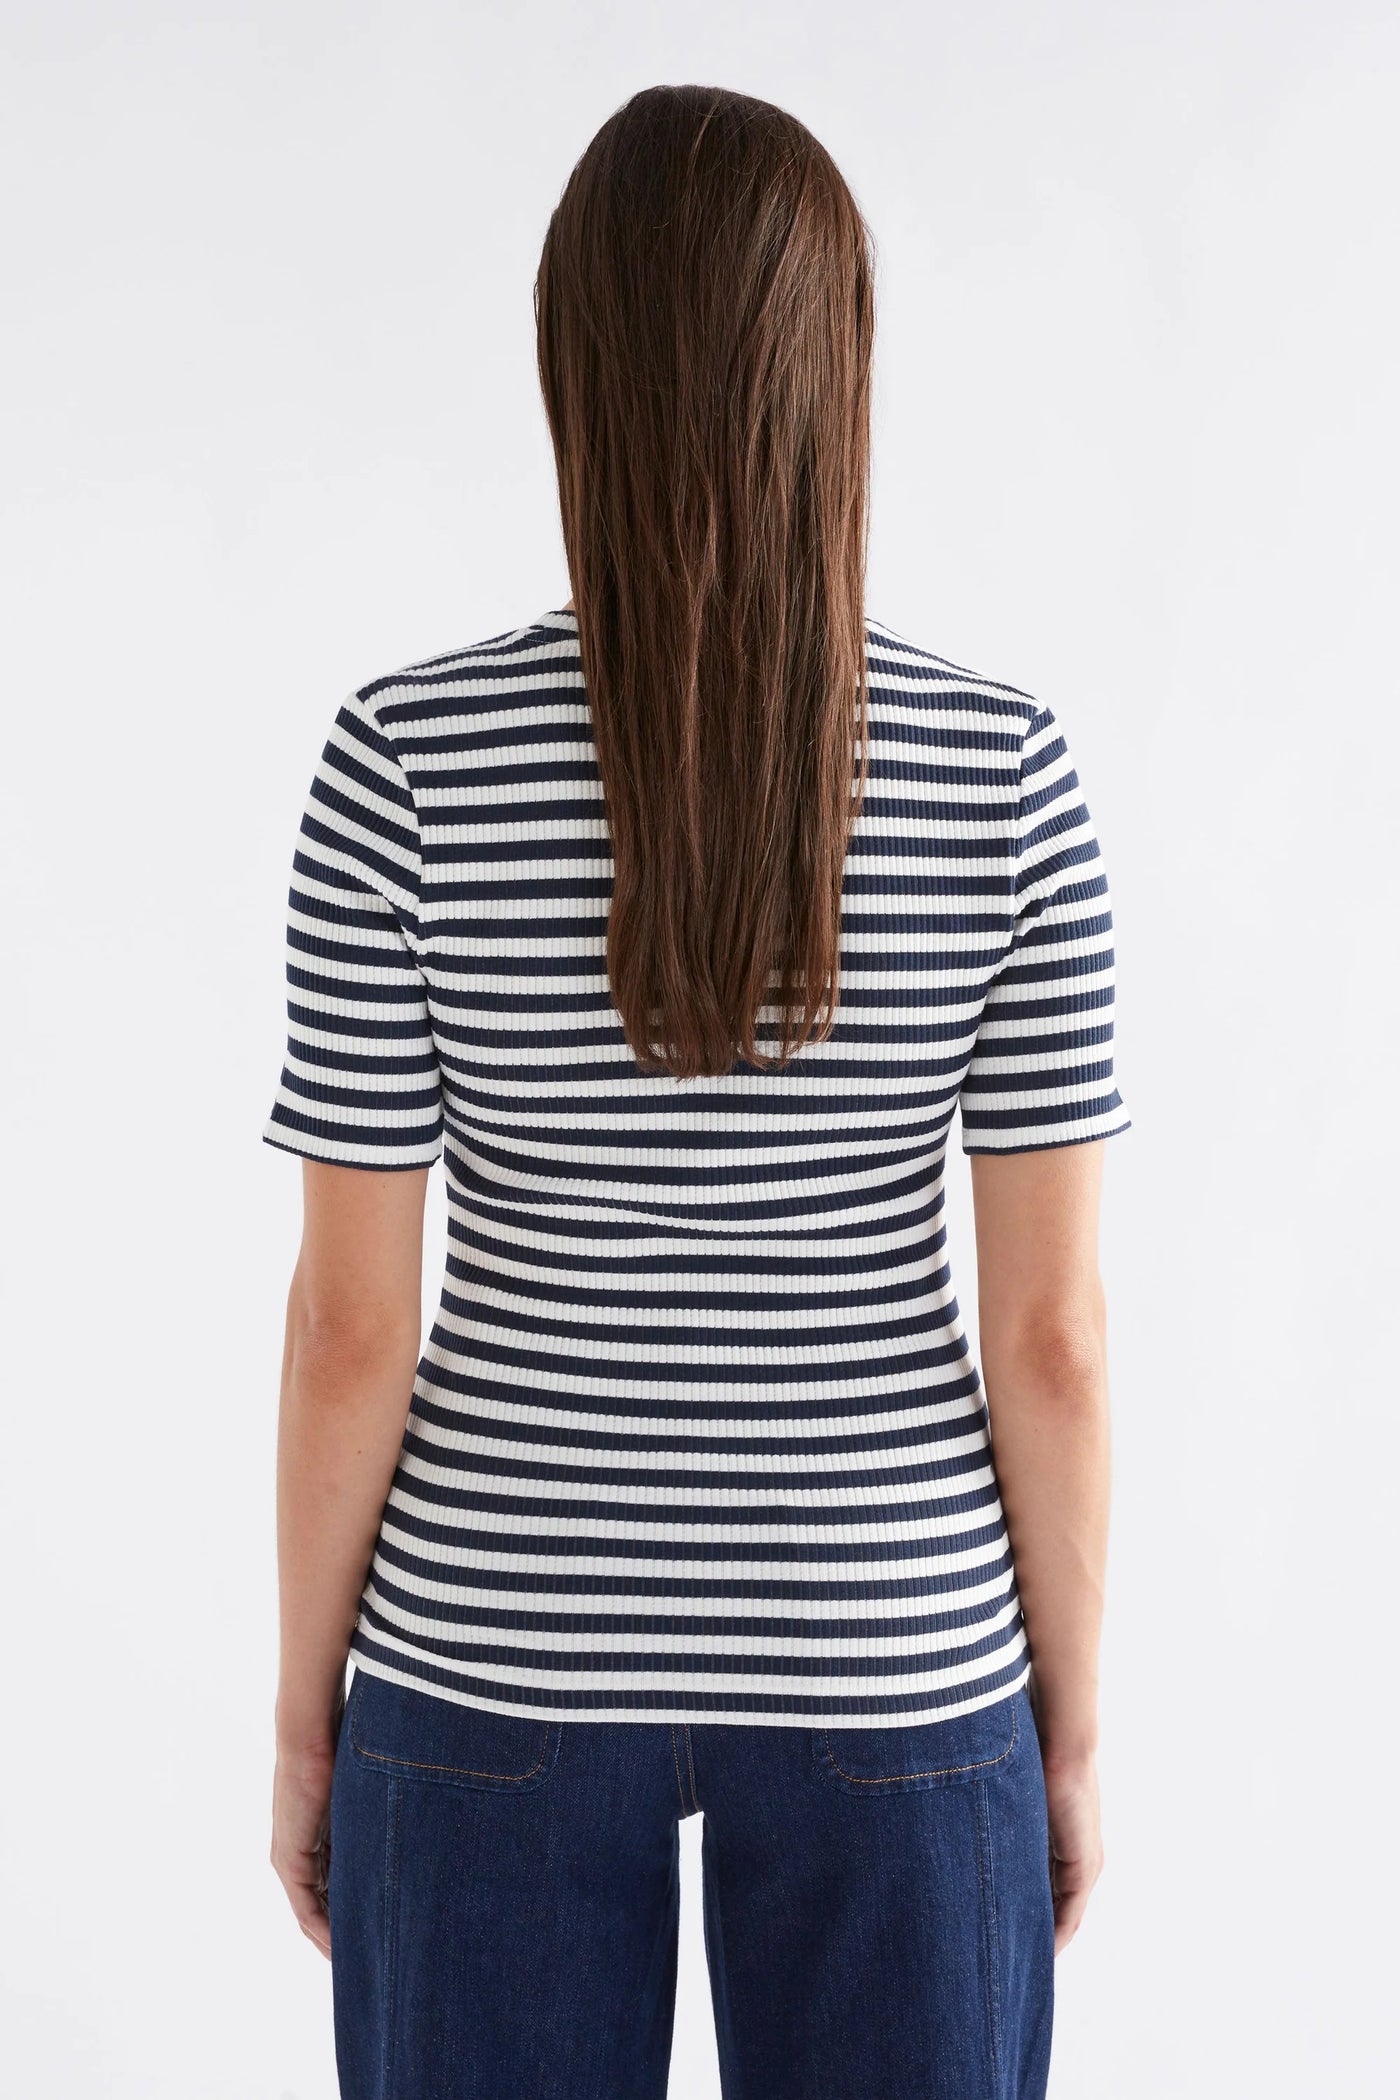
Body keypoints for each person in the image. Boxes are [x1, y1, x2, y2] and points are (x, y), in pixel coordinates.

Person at [265, 83, 1131, 2100]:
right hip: (896, 1656)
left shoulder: (403, 763)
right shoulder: (999, 773)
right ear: (837, 379)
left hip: (489, 1661)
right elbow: (1054, 1339)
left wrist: (308, 1717)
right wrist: (1058, 1730)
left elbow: (351, 1325)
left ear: (572, 370)